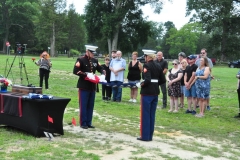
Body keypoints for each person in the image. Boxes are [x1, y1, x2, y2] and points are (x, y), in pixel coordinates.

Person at [73, 45, 105, 129]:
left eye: (94, 53)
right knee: (83, 105)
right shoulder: (81, 60)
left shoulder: (95, 60)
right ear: (87, 51)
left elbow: (100, 68)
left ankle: (89, 122)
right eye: (92, 53)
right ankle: (83, 123)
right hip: (84, 85)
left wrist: (103, 73)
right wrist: (85, 74)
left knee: (90, 105)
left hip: (92, 86)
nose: (93, 54)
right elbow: (75, 70)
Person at [137, 50, 166, 141]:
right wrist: (155, 84)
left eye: (145, 57)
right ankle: (150, 135)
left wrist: (141, 84)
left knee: (145, 114)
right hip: (155, 92)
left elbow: (147, 79)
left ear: (148, 57)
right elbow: (163, 80)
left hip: (147, 92)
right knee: (151, 115)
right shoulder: (158, 65)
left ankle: (145, 136)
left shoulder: (147, 65)